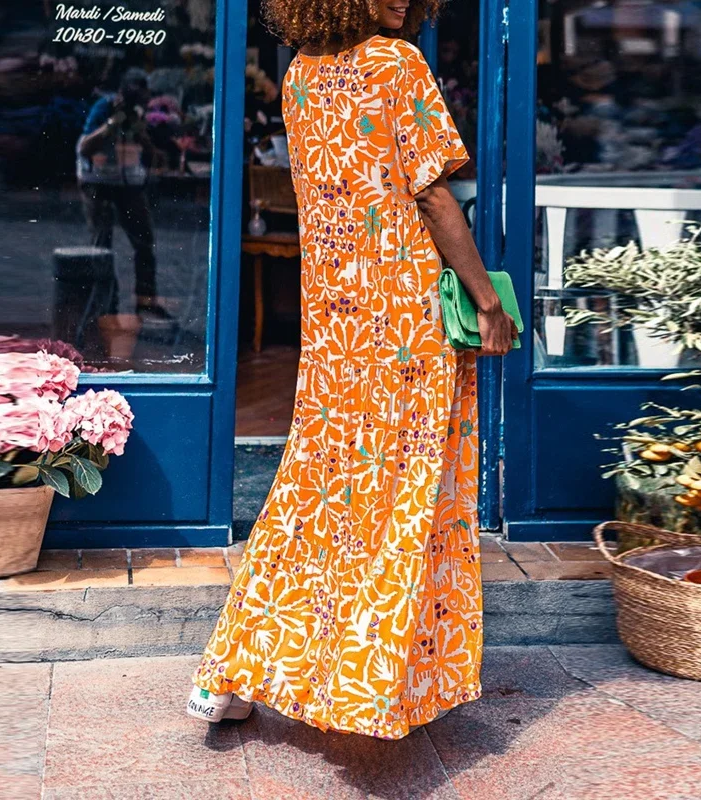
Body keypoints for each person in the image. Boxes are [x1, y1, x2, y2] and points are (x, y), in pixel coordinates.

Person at [187, 0, 516, 739]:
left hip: (333, 318)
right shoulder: (396, 64)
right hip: (401, 320)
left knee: (319, 489)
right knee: (403, 493)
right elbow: (432, 194)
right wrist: (485, 297)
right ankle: (366, 688)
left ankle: (234, 672)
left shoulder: (300, 75)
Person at [76, 68, 172, 323]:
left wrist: (141, 133)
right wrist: (111, 124)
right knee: (101, 244)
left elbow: (152, 156)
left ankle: (146, 301)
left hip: (128, 182)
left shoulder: (137, 115)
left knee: (144, 240)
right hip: (98, 182)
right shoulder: (103, 108)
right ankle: (106, 306)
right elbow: (84, 146)